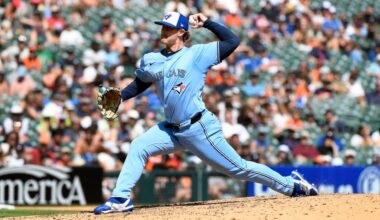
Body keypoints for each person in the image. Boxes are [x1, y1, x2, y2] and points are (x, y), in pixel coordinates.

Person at [94, 12, 318, 215]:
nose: (163, 30)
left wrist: (208, 23)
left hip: (198, 128)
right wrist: (122, 96)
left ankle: (292, 185)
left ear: (182, 32)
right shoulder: (152, 59)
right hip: (170, 129)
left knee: (239, 168)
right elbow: (142, 82)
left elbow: (233, 41)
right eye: (163, 26)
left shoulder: (198, 54)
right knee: (138, 146)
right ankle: (121, 198)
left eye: (169, 27)